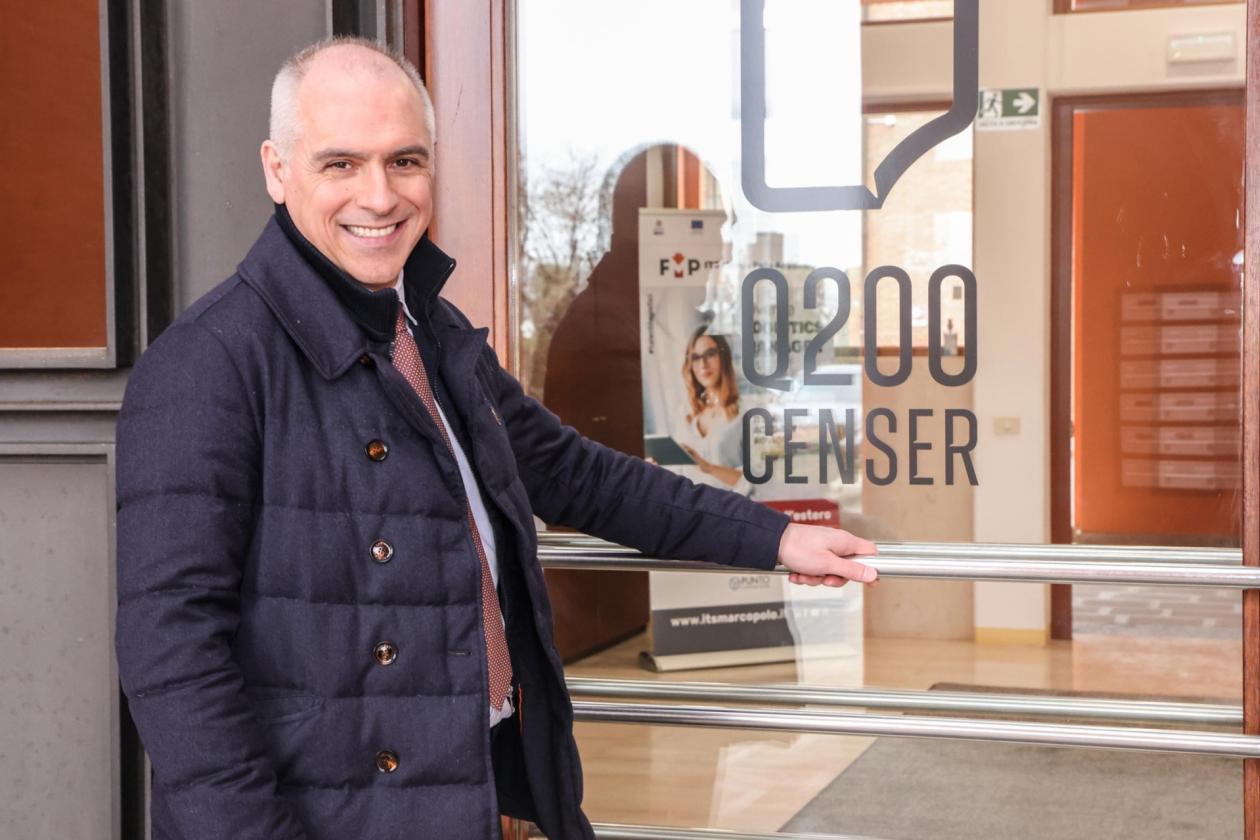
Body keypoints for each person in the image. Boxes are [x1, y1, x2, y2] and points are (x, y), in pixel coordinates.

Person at [114, 36, 877, 840]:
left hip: (483, 781)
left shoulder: (429, 330)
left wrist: (773, 537)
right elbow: (175, 662)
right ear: (278, 170)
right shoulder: (207, 363)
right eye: (341, 164)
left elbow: (576, 474)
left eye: (404, 161)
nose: (379, 195)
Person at [676, 326, 747, 491]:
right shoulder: (686, 413)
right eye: (695, 357)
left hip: (728, 504)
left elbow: (754, 480)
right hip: (689, 504)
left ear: (724, 358)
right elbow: (679, 472)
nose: (703, 364)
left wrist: (708, 468)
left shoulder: (744, 412)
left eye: (710, 354)